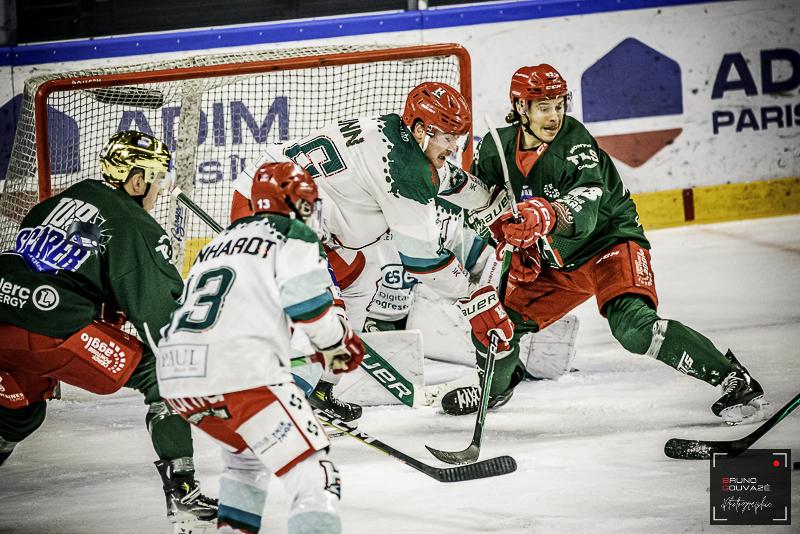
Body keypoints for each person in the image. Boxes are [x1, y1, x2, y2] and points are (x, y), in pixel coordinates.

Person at [441, 64, 768, 425]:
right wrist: (505, 234)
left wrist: (546, 216)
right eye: (544, 107)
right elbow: (479, 208)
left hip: (608, 243)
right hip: (555, 261)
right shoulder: (495, 148)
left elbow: (585, 206)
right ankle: (494, 389)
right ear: (521, 107)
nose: (555, 116)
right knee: (496, 323)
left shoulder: (575, 142)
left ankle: (732, 378)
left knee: (634, 329)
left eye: (559, 105)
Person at [228, 82, 514, 422]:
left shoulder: (397, 135)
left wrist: (492, 204)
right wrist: (472, 298)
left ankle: (320, 388)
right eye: (448, 137)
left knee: (360, 280)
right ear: (420, 130)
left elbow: (448, 178)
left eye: (458, 138)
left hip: (298, 206)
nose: (454, 148)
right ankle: (284, 408)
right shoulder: (403, 170)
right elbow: (422, 260)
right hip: (272, 206)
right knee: (318, 309)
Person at [0, 130, 217, 529]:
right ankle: (183, 489)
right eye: (156, 180)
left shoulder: (60, 201)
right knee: (163, 371)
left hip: (3, 318)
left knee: (21, 412)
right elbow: (161, 319)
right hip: (50, 328)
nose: (158, 192)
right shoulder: (133, 223)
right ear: (137, 180)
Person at [156, 162, 365, 534]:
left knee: (246, 462)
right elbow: (309, 308)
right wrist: (338, 344)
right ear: (298, 203)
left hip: (177, 380)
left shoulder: (216, 244)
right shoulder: (293, 234)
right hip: (240, 374)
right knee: (314, 475)